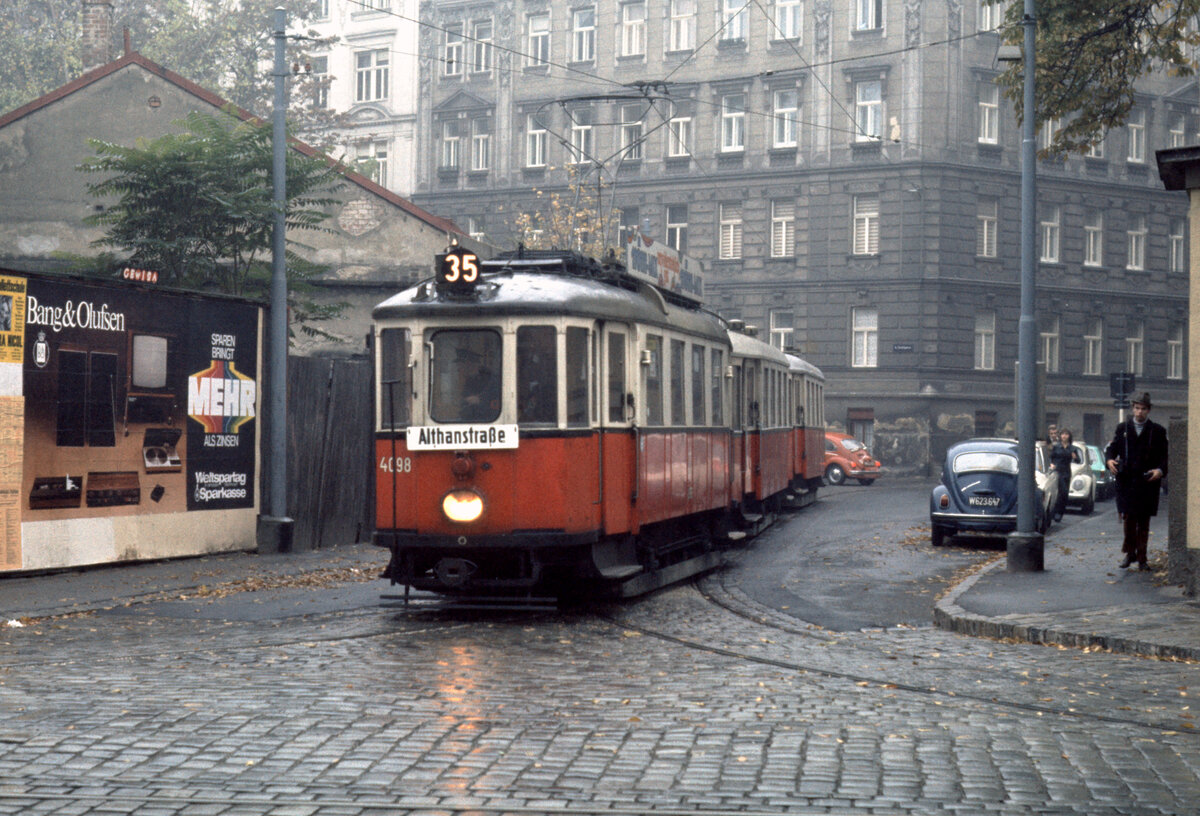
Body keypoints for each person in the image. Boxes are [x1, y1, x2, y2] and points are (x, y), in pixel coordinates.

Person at [1105, 392, 1168, 571]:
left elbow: (1166, 456)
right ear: (1133, 408)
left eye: (1143, 409)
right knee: (1129, 519)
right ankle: (1130, 553)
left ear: (1148, 410)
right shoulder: (1122, 428)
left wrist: (1160, 470)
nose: (1139, 412)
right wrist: (1109, 460)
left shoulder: (1157, 431)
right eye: (1137, 408)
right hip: (1127, 482)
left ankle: (1142, 557)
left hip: (1147, 482)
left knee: (1144, 521)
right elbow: (1112, 449)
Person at [1049, 429, 1079, 522]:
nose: (1064, 436)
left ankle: (1060, 513)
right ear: (1060, 436)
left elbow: (1078, 460)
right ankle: (1055, 512)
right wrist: (1051, 464)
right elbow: (1051, 457)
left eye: (1066, 434)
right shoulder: (1056, 447)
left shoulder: (1072, 448)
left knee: (1065, 494)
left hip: (1067, 471)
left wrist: (1075, 457)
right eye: (1062, 434)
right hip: (1057, 471)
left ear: (1069, 436)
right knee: (1061, 491)